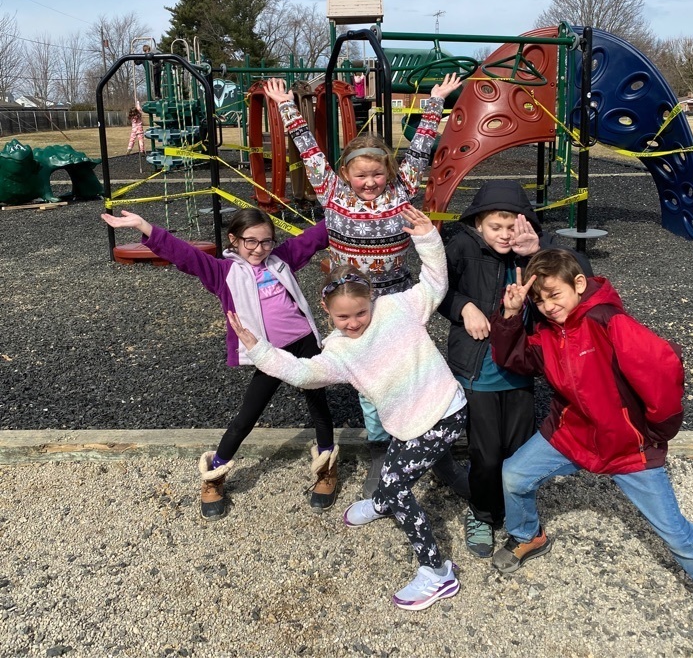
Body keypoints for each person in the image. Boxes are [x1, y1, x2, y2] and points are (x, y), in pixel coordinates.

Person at [490, 249, 693, 647]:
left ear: (579, 285)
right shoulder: (546, 330)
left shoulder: (609, 322)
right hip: (573, 435)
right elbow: (516, 360)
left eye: (554, 295)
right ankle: (528, 534)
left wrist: (654, 431)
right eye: (539, 301)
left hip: (628, 447)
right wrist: (511, 316)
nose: (548, 307)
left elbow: (663, 367)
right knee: (515, 473)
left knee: (674, 531)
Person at [228, 206, 466, 611]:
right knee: (395, 467)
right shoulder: (338, 350)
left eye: (360, 312)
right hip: (407, 422)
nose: (354, 322)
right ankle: (383, 503)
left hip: (443, 410)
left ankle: (437, 571)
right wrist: (260, 350)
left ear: (372, 298)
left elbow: (434, 282)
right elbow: (303, 374)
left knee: (393, 482)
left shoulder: (398, 307)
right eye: (343, 317)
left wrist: (427, 239)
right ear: (326, 312)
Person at [264, 74, 469, 500]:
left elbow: (421, 147)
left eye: (376, 174)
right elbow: (309, 149)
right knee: (370, 382)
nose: (370, 182)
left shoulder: (403, 188)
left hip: (397, 302)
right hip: (352, 305)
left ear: (388, 172)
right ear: (346, 175)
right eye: (361, 175)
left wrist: (434, 103)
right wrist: (287, 107)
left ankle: (435, 453)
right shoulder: (332, 193)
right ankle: (382, 450)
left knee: (413, 371)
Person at [100, 208, 339, 520]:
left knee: (318, 404)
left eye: (266, 242)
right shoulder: (223, 272)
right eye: (250, 241)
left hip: (304, 341)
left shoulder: (282, 258)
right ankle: (214, 475)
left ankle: (326, 467)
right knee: (247, 415)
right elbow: (183, 254)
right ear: (234, 240)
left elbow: (316, 236)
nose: (259, 249)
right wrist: (145, 226)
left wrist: (353, 210)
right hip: (268, 353)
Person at [438, 181, 592, 559]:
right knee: (486, 453)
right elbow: (436, 289)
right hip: (477, 371)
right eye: (496, 227)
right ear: (478, 225)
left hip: (520, 370)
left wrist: (537, 249)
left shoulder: (537, 250)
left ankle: (513, 510)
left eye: (513, 227)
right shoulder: (462, 247)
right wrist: (463, 308)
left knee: (518, 450)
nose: (505, 235)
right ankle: (481, 511)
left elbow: (584, 277)